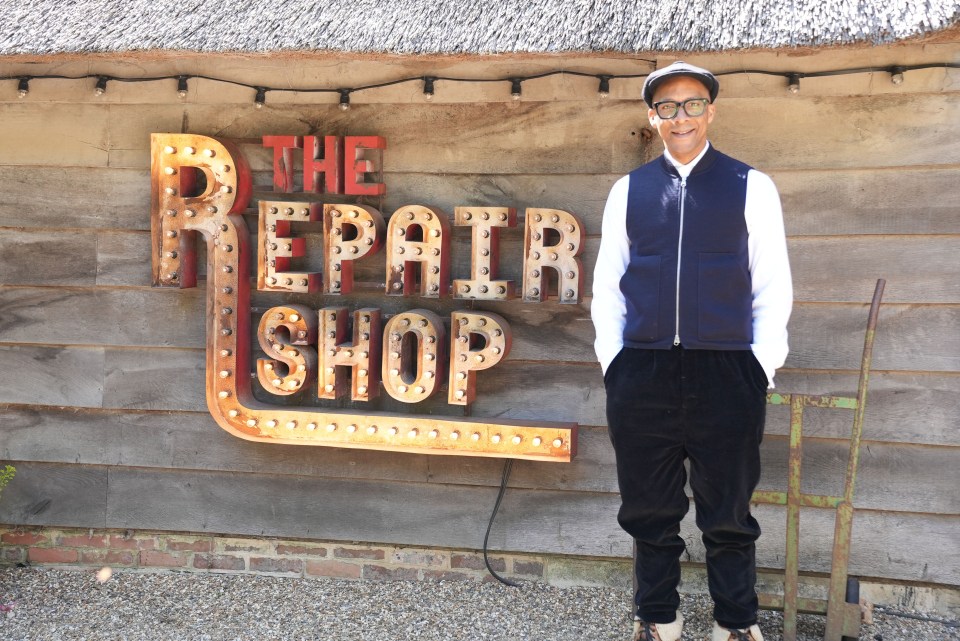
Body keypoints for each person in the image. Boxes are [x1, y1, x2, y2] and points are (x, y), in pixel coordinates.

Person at [591, 61, 793, 641]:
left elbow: (771, 282)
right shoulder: (629, 190)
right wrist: (616, 361)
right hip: (644, 368)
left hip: (727, 367)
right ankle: (658, 617)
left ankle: (735, 622)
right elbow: (609, 282)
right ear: (652, 117)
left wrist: (760, 364)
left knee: (727, 509)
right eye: (669, 107)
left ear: (712, 111)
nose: (682, 116)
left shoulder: (750, 186)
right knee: (650, 509)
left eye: (693, 104)